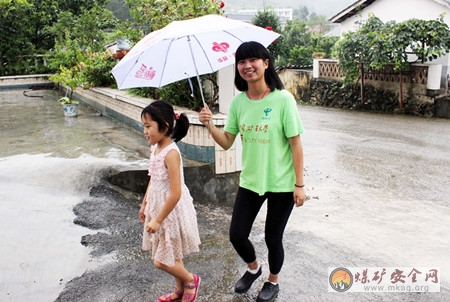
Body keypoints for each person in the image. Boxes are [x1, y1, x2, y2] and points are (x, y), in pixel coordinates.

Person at [198, 41, 306, 302]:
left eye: (253, 60)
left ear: (265, 63)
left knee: (272, 237)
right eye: (242, 62)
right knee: (236, 234)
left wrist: (299, 184)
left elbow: (296, 144)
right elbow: (226, 142)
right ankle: (254, 268)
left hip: (281, 183)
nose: (247, 66)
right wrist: (210, 125)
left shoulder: (283, 100)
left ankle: (273, 281)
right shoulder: (238, 103)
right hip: (250, 180)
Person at [139, 100, 201, 302]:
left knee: (160, 261)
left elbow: (175, 193)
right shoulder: (155, 148)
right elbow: (153, 178)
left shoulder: (171, 153)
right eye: (144, 127)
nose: (145, 131)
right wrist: (145, 203)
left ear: (164, 126)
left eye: (148, 126)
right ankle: (180, 289)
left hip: (170, 211)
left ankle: (191, 280)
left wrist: (158, 219)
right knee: (173, 254)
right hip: (157, 207)